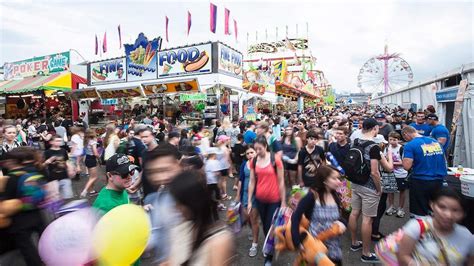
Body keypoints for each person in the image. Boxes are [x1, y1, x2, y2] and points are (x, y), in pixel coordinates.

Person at [348, 118, 392, 263]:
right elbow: (380, 170)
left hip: (355, 183)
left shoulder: (356, 141)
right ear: (374, 128)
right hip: (369, 187)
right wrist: (379, 189)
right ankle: (366, 253)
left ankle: (354, 243)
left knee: (354, 213)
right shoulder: (374, 147)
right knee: (367, 219)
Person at [168, 170, 235, 265]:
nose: (175, 208)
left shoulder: (219, 240)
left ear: (192, 203)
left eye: (179, 203)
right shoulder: (180, 227)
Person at [396, 187, 474, 266]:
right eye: (442, 207)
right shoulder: (416, 227)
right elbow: (403, 256)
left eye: (455, 210)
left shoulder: (468, 237)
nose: (448, 215)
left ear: (463, 213)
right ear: (432, 205)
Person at [290, 165, 347, 265]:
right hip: (316, 250)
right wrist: (297, 242)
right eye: (334, 178)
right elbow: (295, 217)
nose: (339, 181)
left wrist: (343, 223)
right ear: (324, 180)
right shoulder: (312, 196)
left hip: (334, 249)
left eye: (339, 178)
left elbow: (341, 217)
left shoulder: (336, 196)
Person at [1, 147, 47, 266]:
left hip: (20, 220)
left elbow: (6, 201)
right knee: (44, 240)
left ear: (11, 162)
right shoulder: (32, 172)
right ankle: (49, 258)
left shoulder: (11, 178)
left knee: (27, 247)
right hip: (37, 214)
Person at [247, 135, 286, 265]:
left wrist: (284, 202)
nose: (257, 152)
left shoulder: (275, 159)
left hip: (274, 199)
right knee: (265, 226)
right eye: (255, 149)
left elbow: (281, 182)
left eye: (260, 149)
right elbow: (252, 182)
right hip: (260, 199)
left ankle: (268, 256)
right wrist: (250, 200)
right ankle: (270, 247)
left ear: (265, 146)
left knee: (270, 226)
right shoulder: (254, 161)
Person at [144, 144, 183, 265]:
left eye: (165, 169)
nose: (160, 177)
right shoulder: (154, 199)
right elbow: (155, 235)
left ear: (179, 164)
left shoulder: (193, 196)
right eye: (153, 172)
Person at [402, 126, 447, 217]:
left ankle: (421, 229)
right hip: (438, 181)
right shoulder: (435, 142)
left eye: (404, 137)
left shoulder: (410, 145)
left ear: (406, 134)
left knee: (419, 212)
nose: (405, 139)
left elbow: (406, 166)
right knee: (435, 209)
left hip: (421, 181)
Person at [236, 145, 260, 258]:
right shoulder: (243, 165)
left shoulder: (260, 164)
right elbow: (240, 180)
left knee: (253, 219)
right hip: (245, 195)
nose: (250, 155)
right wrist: (237, 195)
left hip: (256, 195)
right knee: (247, 216)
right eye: (248, 153)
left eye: (252, 152)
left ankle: (254, 244)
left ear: (256, 153)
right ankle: (252, 229)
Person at [385, 131, 408, 218]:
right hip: (391, 173)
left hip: (401, 173)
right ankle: (391, 206)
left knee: (402, 191)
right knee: (390, 191)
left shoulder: (402, 148)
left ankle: (401, 208)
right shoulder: (387, 148)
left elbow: (405, 162)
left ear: (398, 140)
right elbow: (384, 159)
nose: (392, 141)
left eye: (394, 140)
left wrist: (392, 163)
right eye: (390, 139)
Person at [43, 135, 73, 200]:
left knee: (66, 196)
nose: (59, 142)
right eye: (57, 141)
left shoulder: (63, 150)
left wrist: (70, 168)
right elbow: (42, 166)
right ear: (51, 142)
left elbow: (66, 161)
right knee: (55, 199)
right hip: (53, 179)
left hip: (64, 176)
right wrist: (48, 161)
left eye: (60, 141)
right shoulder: (47, 152)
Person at [205, 147, 225, 217]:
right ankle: (219, 206)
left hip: (208, 181)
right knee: (217, 195)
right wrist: (220, 181)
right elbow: (217, 173)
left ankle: (213, 207)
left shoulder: (206, 161)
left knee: (210, 195)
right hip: (214, 181)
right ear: (213, 155)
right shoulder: (215, 162)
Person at [80, 129, 100, 198]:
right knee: (94, 177)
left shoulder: (86, 141)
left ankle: (91, 190)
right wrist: (99, 157)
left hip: (87, 159)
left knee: (91, 176)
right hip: (92, 159)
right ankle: (85, 191)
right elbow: (95, 153)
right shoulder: (92, 142)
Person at [215, 135, 233, 200]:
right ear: (225, 141)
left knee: (219, 180)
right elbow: (228, 159)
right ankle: (224, 195)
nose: (229, 141)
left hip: (218, 166)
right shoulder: (225, 149)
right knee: (224, 181)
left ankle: (219, 194)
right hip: (224, 167)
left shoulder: (218, 148)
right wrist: (230, 167)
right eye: (227, 140)